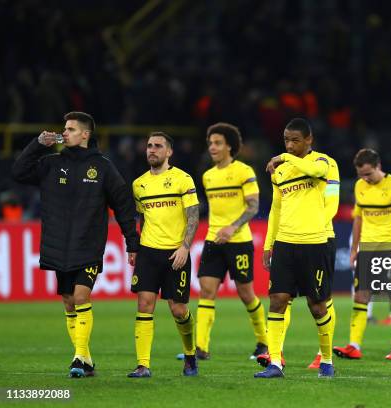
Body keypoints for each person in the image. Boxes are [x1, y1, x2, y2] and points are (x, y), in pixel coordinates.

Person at [11, 111, 140, 378]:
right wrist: (37, 144)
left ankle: (79, 358)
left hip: (88, 245)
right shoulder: (50, 163)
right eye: (64, 128)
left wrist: (132, 242)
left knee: (81, 296)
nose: (64, 133)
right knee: (69, 302)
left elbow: (123, 204)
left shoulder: (102, 167)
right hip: (58, 246)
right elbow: (18, 172)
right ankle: (87, 359)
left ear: (85, 134)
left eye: (70, 129)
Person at [176, 122, 267, 361]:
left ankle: (263, 341)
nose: (212, 147)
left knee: (246, 293)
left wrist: (233, 227)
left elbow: (254, 206)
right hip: (213, 241)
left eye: (217, 143)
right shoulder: (207, 176)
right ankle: (201, 347)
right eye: (210, 143)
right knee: (206, 291)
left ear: (229, 146)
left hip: (239, 241)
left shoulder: (244, 171)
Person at [254, 118, 335, 378]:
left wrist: (283, 158)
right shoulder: (280, 171)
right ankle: (275, 363)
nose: (289, 145)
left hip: (314, 242)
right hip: (286, 243)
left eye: (295, 140)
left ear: (309, 140)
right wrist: (269, 244)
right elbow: (276, 209)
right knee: (278, 300)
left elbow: (316, 173)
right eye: (286, 140)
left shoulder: (323, 161)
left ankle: (327, 359)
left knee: (318, 306)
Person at [127, 132, 200, 377]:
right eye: (149, 146)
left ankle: (190, 355)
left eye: (158, 146)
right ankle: (143, 365)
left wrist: (185, 247)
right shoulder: (139, 184)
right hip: (148, 251)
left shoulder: (182, 179)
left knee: (178, 309)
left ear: (169, 152)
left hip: (175, 253)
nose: (152, 150)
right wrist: (136, 248)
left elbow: (193, 215)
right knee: (144, 304)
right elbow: (143, 218)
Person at [333, 148, 391, 361]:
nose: (365, 179)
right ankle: (354, 345)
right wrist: (354, 249)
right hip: (367, 250)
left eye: (368, 174)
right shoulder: (360, 186)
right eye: (361, 175)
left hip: (390, 250)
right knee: (361, 297)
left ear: (378, 167)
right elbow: (358, 218)